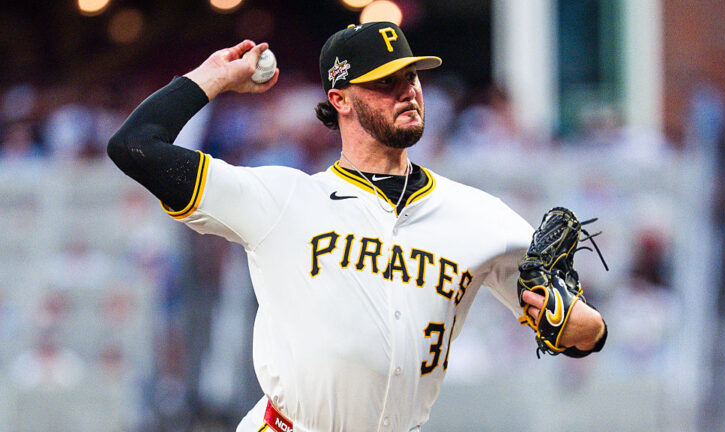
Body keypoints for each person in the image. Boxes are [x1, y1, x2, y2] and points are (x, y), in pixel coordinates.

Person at [108, 21, 606, 432]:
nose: (407, 92)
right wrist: (211, 77)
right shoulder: (283, 199)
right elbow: (135, 147)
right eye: (385, 82)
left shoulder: (480, 217)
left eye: (411, 77)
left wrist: (577, 324)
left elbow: (583, 330)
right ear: (341, 99)